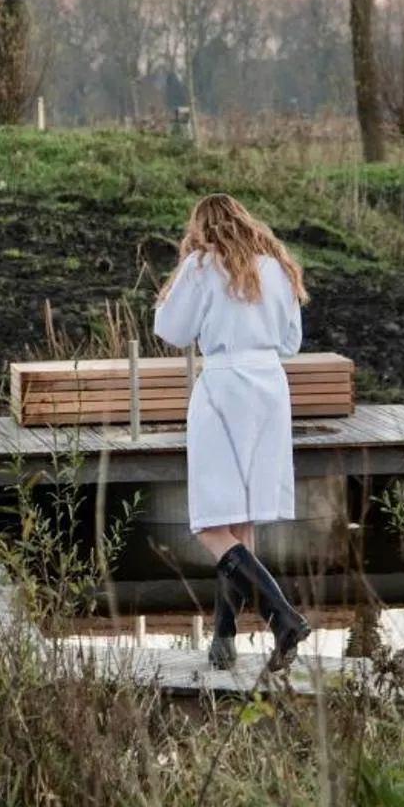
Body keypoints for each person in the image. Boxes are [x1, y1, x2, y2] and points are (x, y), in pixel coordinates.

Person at [153, 193, 312, 673]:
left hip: (224, 387)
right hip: (269, 386)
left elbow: (171, 331)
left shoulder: (202, 266)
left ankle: (281, 615)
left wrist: (182, 279)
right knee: (240, 520)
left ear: (201, 228)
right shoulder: (276, 266)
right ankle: (224, 635)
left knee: (208, 522)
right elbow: (292, 341)